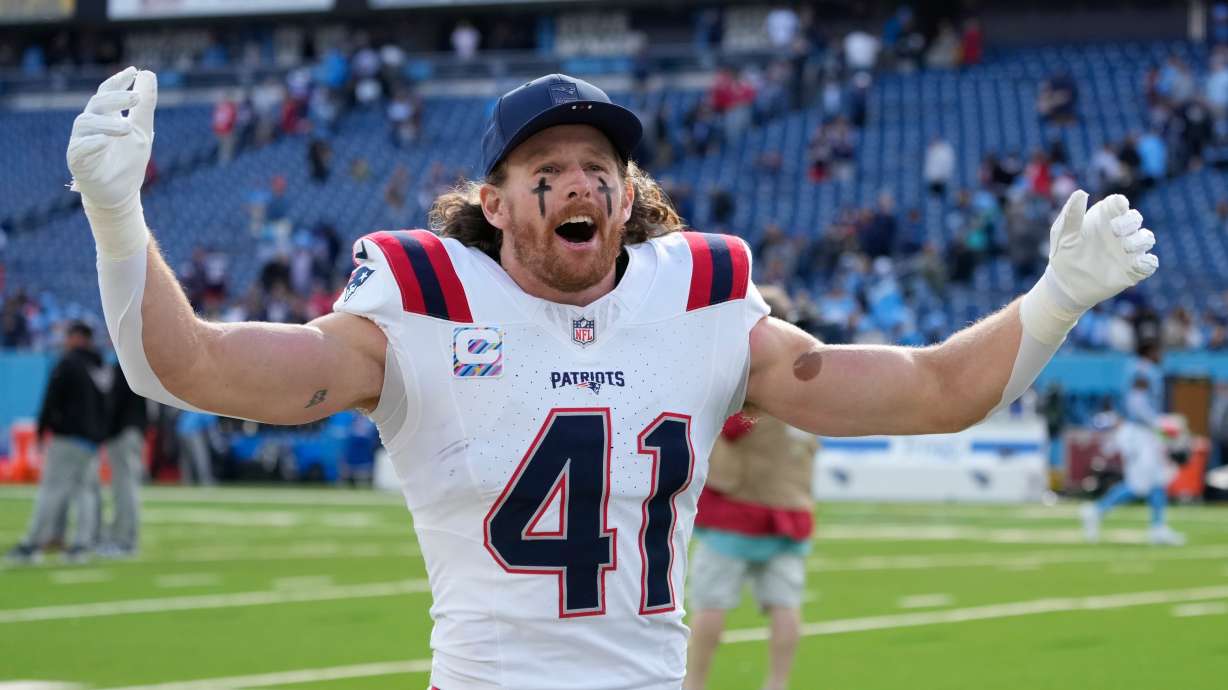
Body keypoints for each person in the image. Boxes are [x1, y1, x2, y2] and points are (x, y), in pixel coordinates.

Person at [68, 67, 1158, 689]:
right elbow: (192, 367)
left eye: (601, 166)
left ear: (628, 193)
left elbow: (928, 391)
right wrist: (119, 218)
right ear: (493, 203)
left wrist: (1054, 298)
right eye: (548, 170)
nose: (580, 183)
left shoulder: (702, 301)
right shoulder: (421, 302)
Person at [685, 287, 819, 690]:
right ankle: (777, 683)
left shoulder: (752, 381)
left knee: (710, 603)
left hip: (737, 513)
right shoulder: (809, 382)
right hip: (792, 513)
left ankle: (694, 683)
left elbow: (728, 429)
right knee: (785, 605)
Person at [5, 321, 109, 564]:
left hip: (68, 437)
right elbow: (106, 405)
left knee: (52, 490)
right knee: (84, 492)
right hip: (91, 441)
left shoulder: (68, 363)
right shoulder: (99, 365)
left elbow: (51, 399)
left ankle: (33, 543)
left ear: (76, 337)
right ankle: (82, 544)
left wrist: (42, 431)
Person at [1081, 351, 1185, 546]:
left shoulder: (1143, 370)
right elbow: (1137, 404)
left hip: (1144, 433)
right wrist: (1158, 422)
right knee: (1138, 485)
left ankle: (1158, 528)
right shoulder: (1143, 372)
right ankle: (1097, 510)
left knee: (1157, 479)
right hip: (1138, 434)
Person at [98, 361, 147, 557]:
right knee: (126, 487)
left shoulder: (124, 367)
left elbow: (115, 403)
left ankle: (124, 540)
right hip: (132, 431)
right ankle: (124, 537)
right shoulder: (136, 367)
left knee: (124, 488)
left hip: (123, 433)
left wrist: (105, 430)